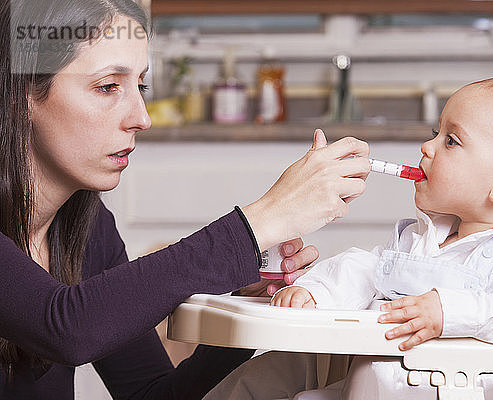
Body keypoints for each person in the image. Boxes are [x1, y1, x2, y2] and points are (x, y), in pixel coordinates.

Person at [0, 0, 371, 398]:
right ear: (23, 95)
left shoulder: (88, 228)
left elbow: (151, 394)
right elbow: (68, 327)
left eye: (139, 86)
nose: (141, 117)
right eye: (108, 86)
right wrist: (261, 221)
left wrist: (244, 310)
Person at [204, 77, 493, 399]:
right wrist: (315, 292)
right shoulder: (428, 234)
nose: (427, 147)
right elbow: (368, 269)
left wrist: (447, 313)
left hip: (436, 382)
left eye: (450, 141)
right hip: (368, 364)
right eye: (435, 134)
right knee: (259, 375)